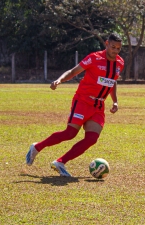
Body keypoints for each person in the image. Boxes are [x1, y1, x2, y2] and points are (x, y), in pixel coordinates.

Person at [25, 33, 124, 177]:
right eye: (113, 47)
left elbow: (112, 81)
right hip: (83, 100)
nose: (115, 50)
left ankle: (60, 162)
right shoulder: (94, 58)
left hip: (98, 106)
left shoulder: (120, 63)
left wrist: (115, 100)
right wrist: (59, 80)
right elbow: (73, 71)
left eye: (118, 48)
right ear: (107, 43)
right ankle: (36, 147)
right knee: (70, 133)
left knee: (91, 139)